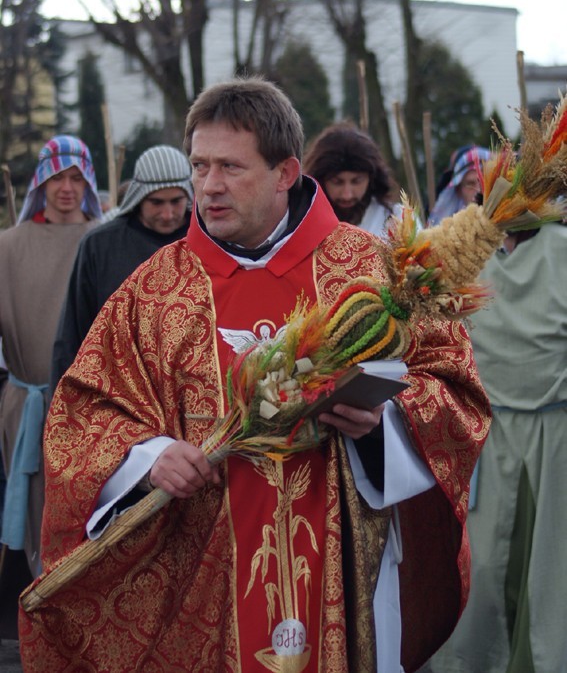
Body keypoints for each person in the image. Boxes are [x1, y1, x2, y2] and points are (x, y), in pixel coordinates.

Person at [19, 79, 489, 673]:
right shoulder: (156, 289)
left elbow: (456, 389)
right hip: (200, 576)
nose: (208, 186)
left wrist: (381, 422)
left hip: (346, 567)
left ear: (285, 172)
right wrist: (146, 455)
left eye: (230, 167)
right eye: (200, 165)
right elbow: (83, 413)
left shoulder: (370, 270)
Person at [426, 221, 567, 673]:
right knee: (483, 566)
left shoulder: (556, 250)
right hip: (484, 429)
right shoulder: (471, 250)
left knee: (547, 569)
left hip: (553, 431)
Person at [0, 135, 102, 583]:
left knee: (89, 517)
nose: (67, 187)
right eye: (57, 176)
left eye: (76, 177)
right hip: (26, 405)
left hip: (92, 409)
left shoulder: (103, 240)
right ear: (41, 181)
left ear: (89, 183)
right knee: (37, 523)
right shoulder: (8, 247)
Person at [51, 145, 193, 391]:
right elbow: (73, 334)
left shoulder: (206, 240)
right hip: (120, 394)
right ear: (139, 197)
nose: (168, 213)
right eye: (157, 202)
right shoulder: (100, 245)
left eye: (176, 201)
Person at [303, 120, 400, 236]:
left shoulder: (398, 221)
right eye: (337, 182)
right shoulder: (302, 222)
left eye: (357, 181)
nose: (347, 194)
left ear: (372, 179)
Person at [428, 146, 491, 225]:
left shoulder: (507, 227)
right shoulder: (447, 231)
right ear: (458, 190)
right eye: (470, 184)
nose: (479, 190)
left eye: (485, 182)